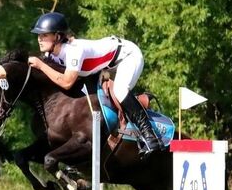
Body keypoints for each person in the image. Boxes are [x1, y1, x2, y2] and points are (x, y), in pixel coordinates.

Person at [27, 12, 164, 158]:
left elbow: (66, 82)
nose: (39, 39)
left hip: (127, 56)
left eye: (44, 35)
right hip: (106, 66)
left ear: (58, 36)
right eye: (39, 35)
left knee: (119, 90)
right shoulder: (51, 54)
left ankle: (150, 136)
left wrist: (41, 65)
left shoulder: (74, 51)